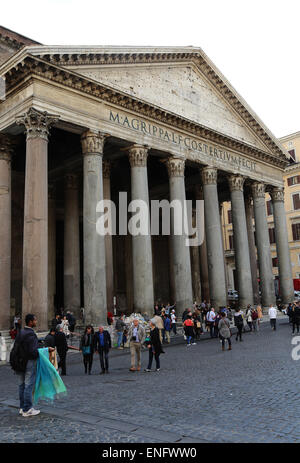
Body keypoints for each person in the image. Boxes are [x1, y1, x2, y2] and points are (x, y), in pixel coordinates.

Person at [14, 314, 54, 417]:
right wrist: (45, 350)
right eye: (35, 320)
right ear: (31, 322)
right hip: (29, 362)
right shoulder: (30, 334)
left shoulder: (21, 332)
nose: (36, 322)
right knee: (28, 385)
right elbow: (33, 351)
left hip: (19, 362)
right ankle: (28, 409)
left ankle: (22, 408)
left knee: (21, 385)